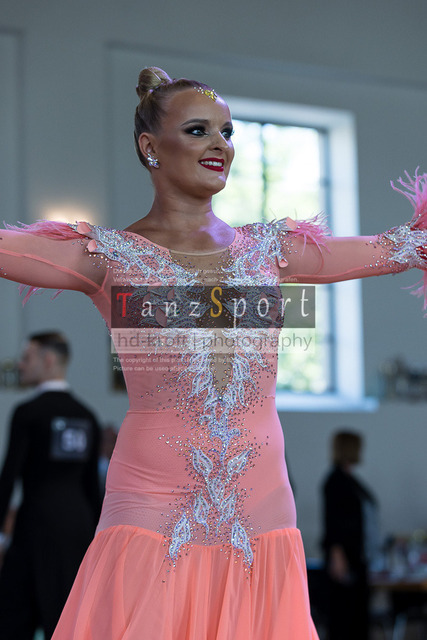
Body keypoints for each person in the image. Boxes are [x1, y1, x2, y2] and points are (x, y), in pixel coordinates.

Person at [0, 66, 426, 639]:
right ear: (150, 147)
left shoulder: (268, 249)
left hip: (260, 503)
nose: (219, 145)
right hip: (153, 500)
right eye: (198, 130)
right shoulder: (108, 255)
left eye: (227, 132)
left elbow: (400, 247)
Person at [0, 331, 102, 640]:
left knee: (13, 617)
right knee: (67, 618)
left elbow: (9, 476)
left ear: (47, 360)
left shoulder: (28, 413)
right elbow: (92, 486)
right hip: (78, 530)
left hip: (35, 526)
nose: (20, 364)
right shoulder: (87, 416)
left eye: (26, 357)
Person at [321, 431, 379, 640]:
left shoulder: (349, 480)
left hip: (357, 557)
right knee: (345, 618)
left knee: (357, 617)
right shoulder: (335, 481)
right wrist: (337, 555)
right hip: (346, 558)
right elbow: (333, 522)